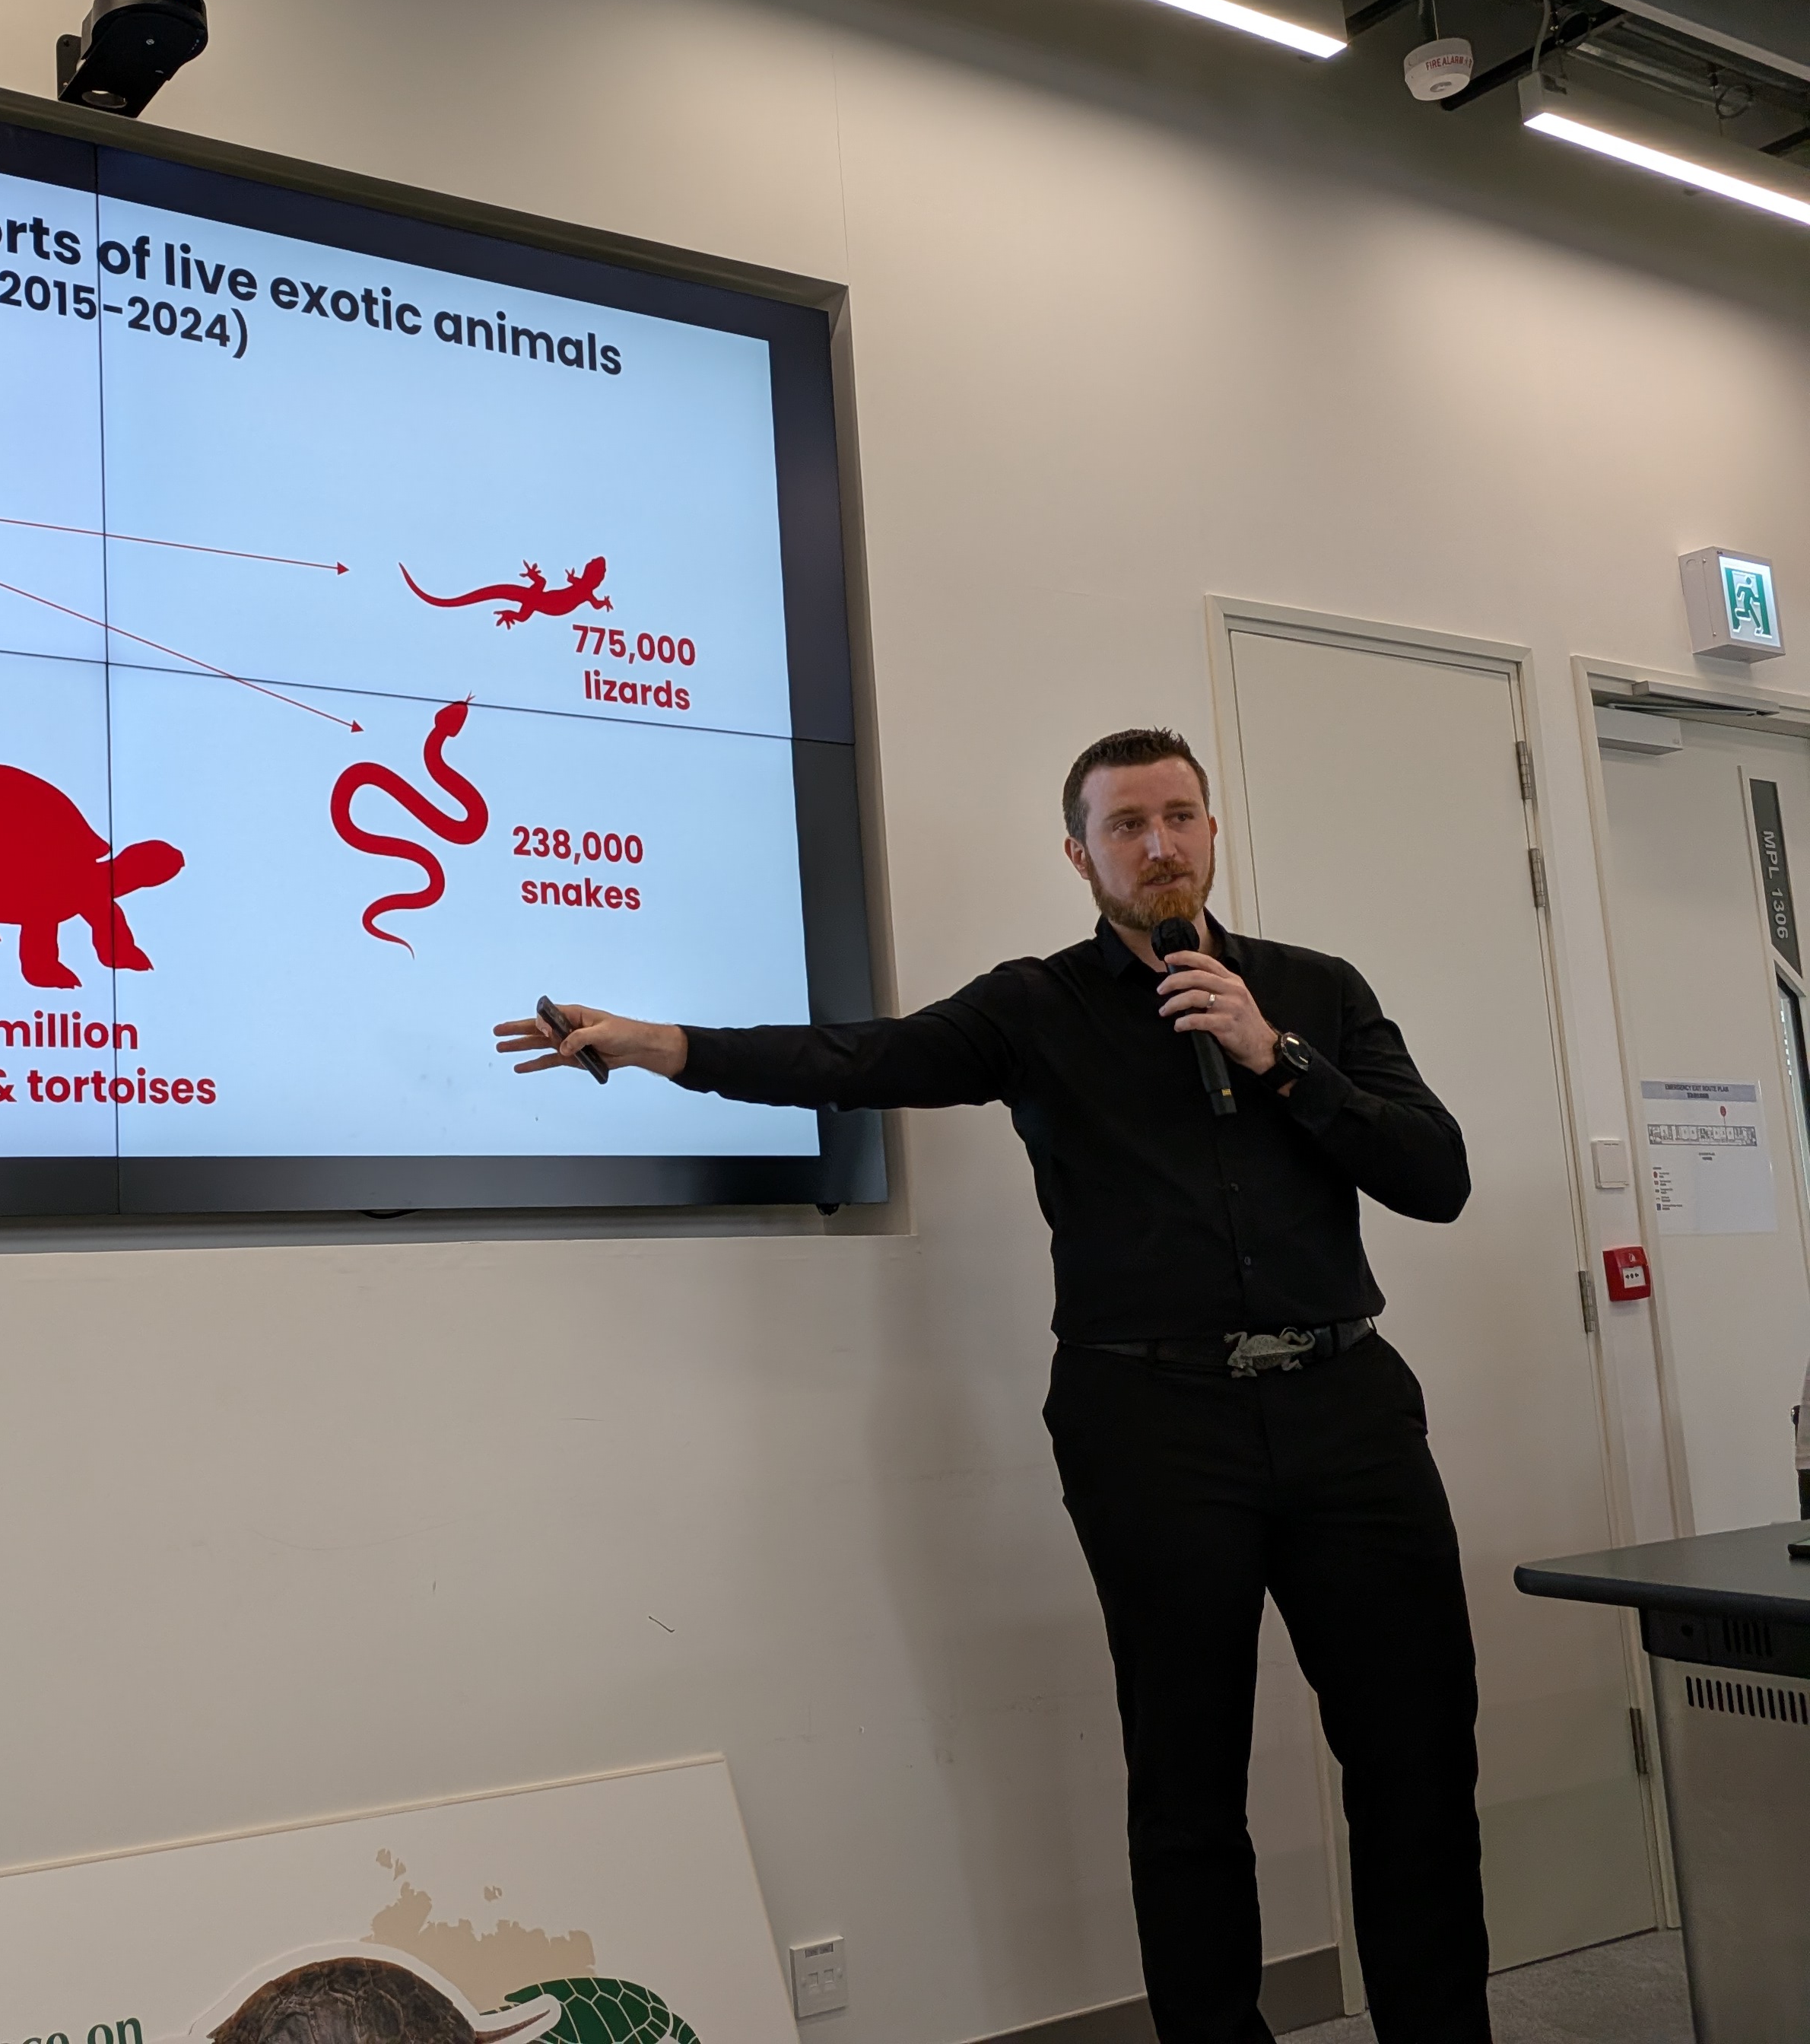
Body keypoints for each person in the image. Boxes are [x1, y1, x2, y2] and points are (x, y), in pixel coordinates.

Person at [496, 728, 1488, 2044]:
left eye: (1179, 816)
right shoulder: (1035, 1008)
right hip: (1152, 1426)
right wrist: (665, 1043)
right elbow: (858, 1060)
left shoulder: (1315, 991)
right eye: (1126, 824)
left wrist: (1278, 1056)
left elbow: (1436, 1176)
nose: (1159, 845)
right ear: (1080, 855)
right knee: (1187, 1782)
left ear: (1213, 830)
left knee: (1418, 1763)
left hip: (1347, 1409)